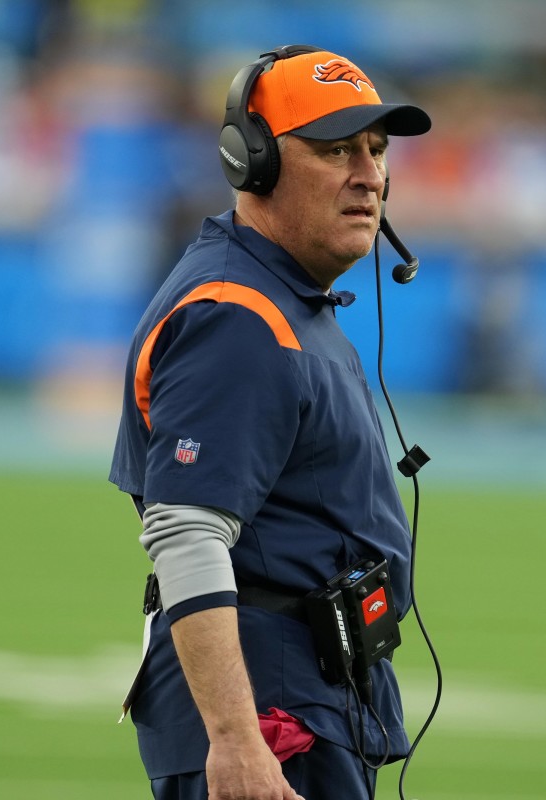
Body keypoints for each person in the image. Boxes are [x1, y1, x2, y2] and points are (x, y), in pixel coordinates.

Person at [109, 45, 431, 800]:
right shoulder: (238, 314)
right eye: (335, 149)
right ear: (254, 161)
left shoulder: (281, 300)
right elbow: (187, 531)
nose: (369, 174)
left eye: (377, 149)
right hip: (270, 717)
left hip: (301, 700)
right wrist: (234, 737)